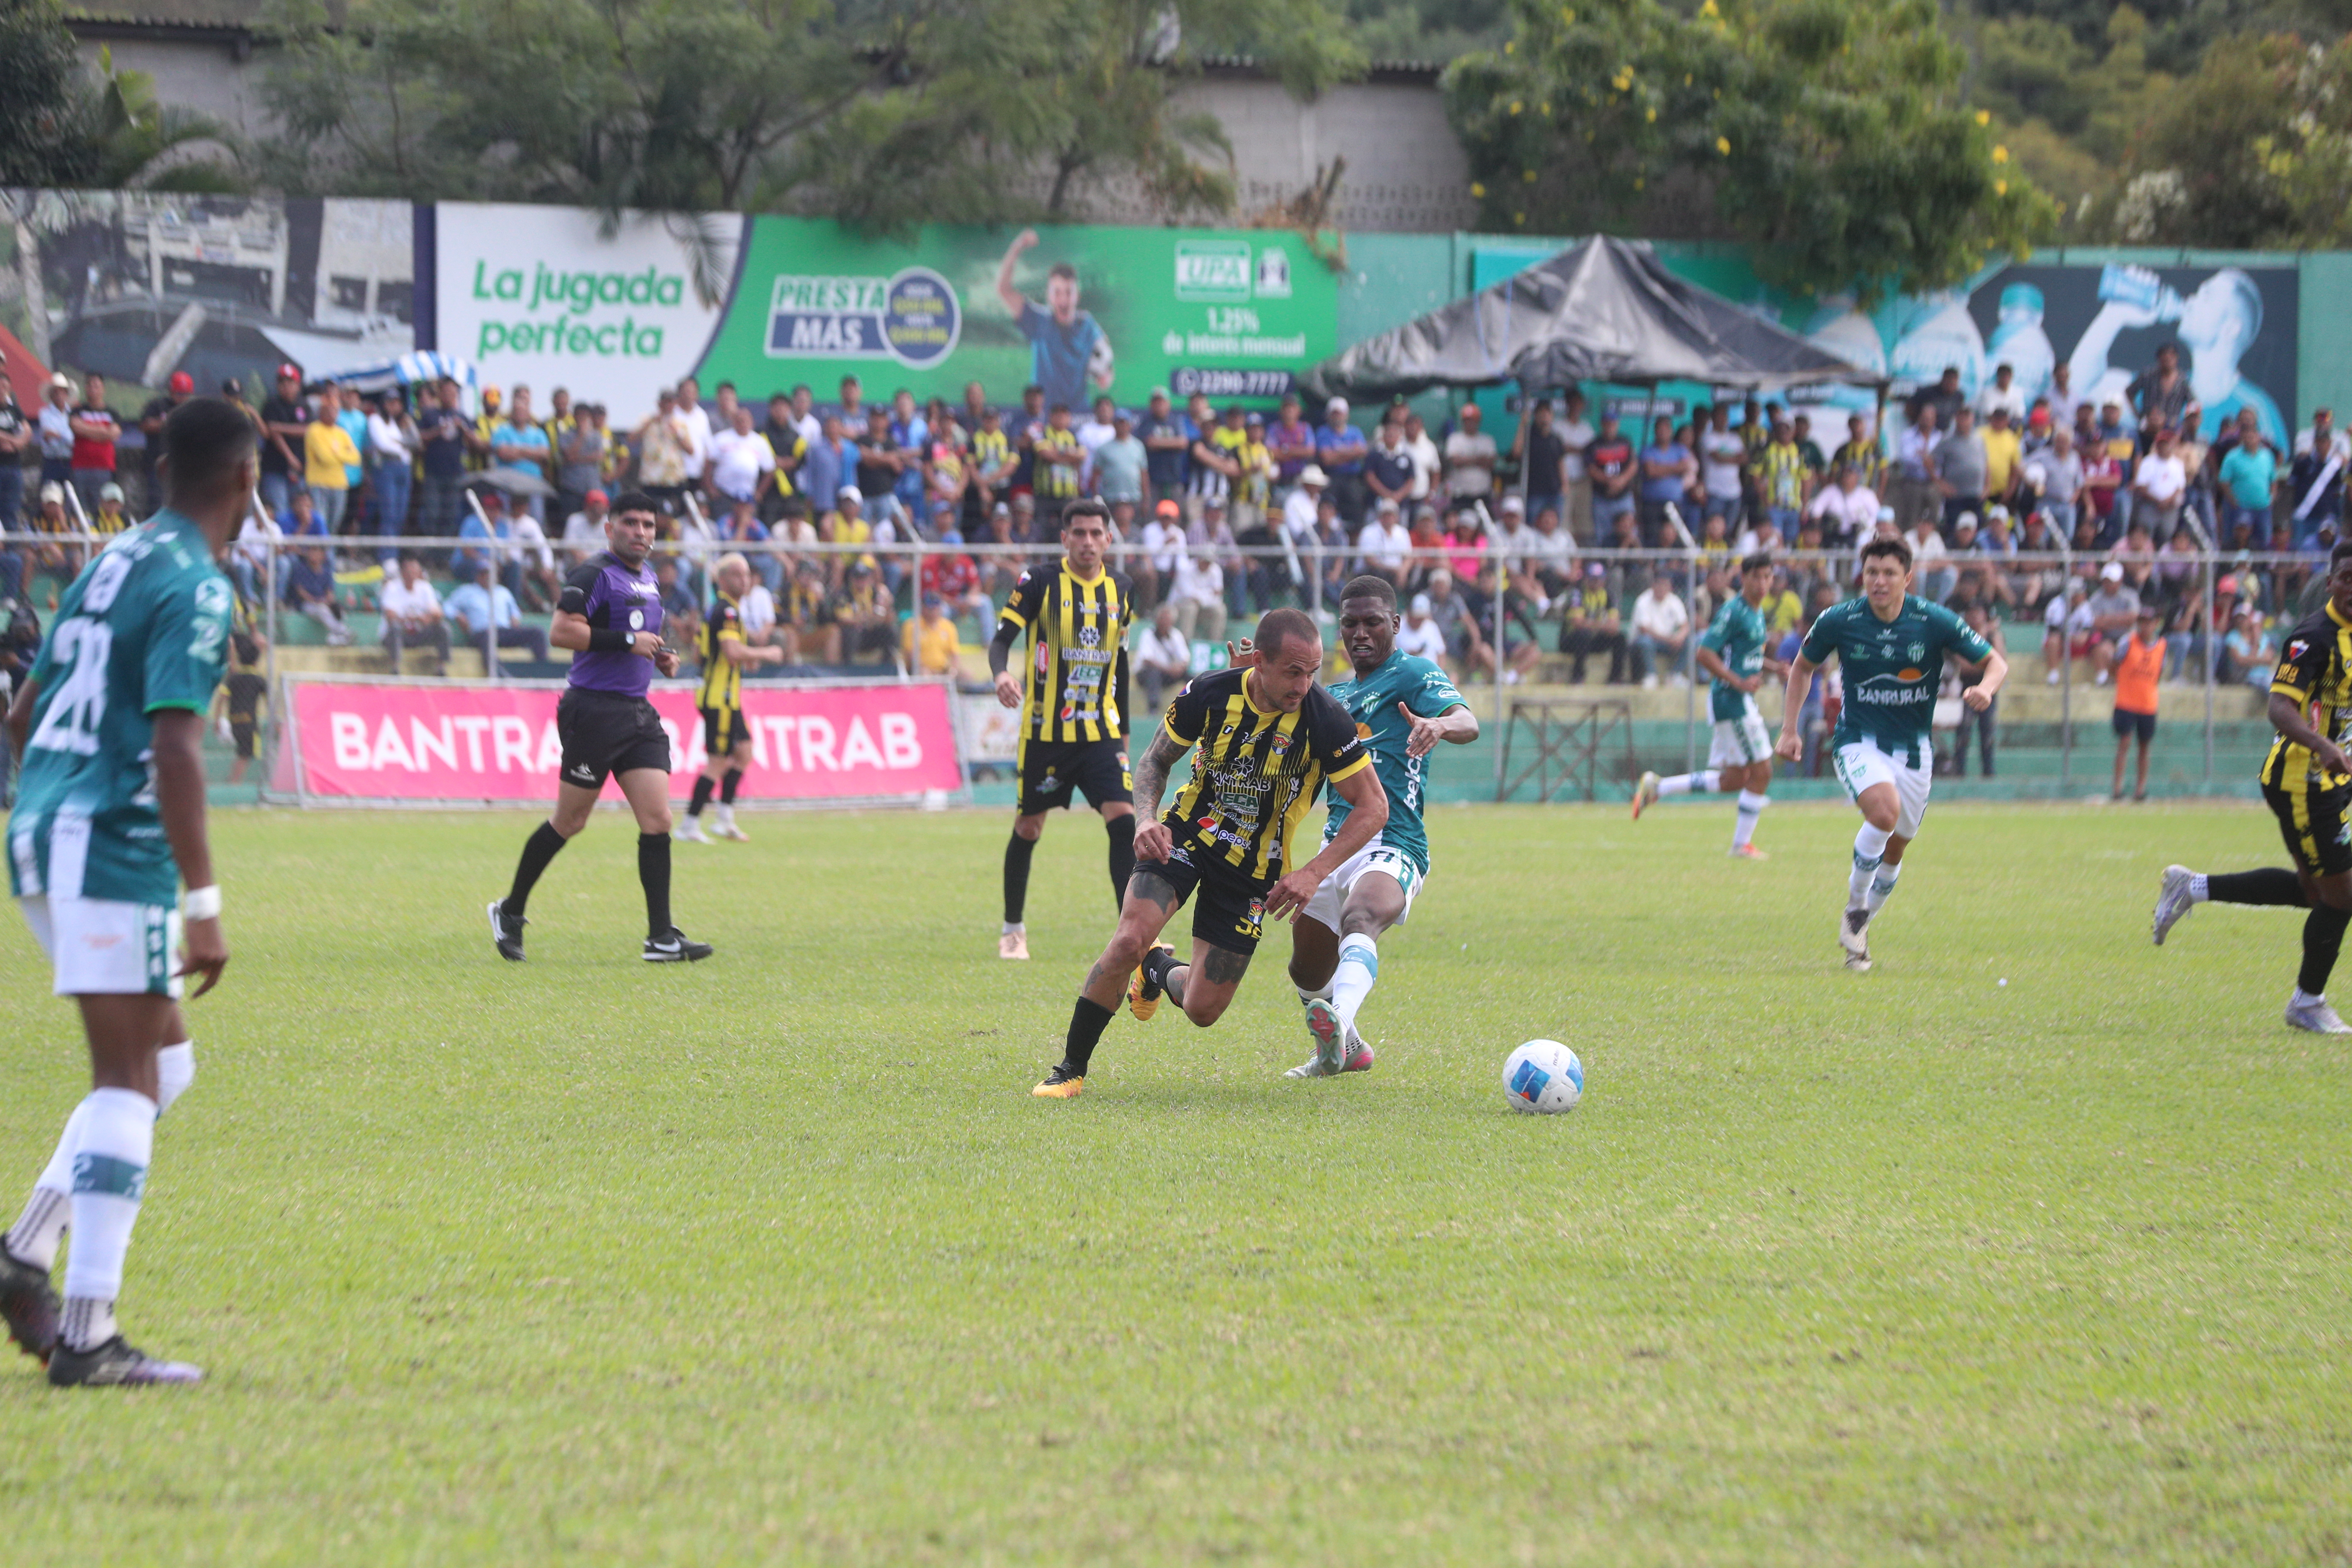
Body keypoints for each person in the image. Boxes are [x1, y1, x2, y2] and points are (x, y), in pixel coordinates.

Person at [0, 394, 245, 1386]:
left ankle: (24, 1251)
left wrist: (60, 800)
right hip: (109, 845)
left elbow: (21, 712)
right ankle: (91, 1338)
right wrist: (204, 904)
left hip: (48, 829)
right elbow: (178, 747)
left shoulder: (111, 557)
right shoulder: (197, 579)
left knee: (161, 1071)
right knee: (127, 1083)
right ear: (248, 475)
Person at [1031, 608, 1384, 1099]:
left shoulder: (1325, 720)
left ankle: (1154, 971)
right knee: (1129, 938)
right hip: (1185, 838)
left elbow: (1373, 808)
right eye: (1292, 671)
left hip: (1253, 870)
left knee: (1203, 1009)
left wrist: (1313, 872)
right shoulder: (1211, 692)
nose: (1304, 684)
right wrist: (1147, 818)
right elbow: (1155, 759)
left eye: (1313, 672)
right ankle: (1069, 1071)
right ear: (1259, 662)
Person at [488, 492, 705, 964]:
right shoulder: (592, 573)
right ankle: (510, 911)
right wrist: (629, 641)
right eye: (631, 523)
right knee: (570, 821)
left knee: (659, 820)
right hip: (592, 711)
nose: (642, 532)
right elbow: (562, 631)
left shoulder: (649, 578)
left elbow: (636, 642)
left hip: (637, 712)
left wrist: (659, 656)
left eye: (649, 524)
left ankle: (660, 937)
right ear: (610, 529)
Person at [1775, 535, 2006, 971]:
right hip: (1858, 740)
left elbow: (1997, 662)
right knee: (1883, 813)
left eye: (1888, 574)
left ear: (1908, 578)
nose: (1879, 581)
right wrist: (1789, 729)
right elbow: (1803, 667)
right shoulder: (1839, 620)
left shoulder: (1933, 620)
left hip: (1915, 750)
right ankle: (1855, 908)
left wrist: (1985, 688)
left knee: (1897, 848)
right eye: (1872, 573)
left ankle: (1858, 934)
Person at [1282, 576, 1479, 1078]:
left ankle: (1339, 1022)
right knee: (1305, 968)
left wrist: (1439, 725)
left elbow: (1467, 721)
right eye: (1350, 624)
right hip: (1338, 844)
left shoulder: (1413, 674)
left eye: (1373, 622)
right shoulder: (1329, 697)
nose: (1361, 633)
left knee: (1362, 914)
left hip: (1395, 842)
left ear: (1395, 624)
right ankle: (1348, 1047)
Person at [2151, 540, 2352, 1032]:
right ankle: (2307, 1002)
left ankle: (2192, 887)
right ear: (2330, 583)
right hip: (2303, 781)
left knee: (2314, 891)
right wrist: (2322, 745)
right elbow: (2280, 708)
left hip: (2333, 781)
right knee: (2342, 895)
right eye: (2347, 578)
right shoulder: (2313, 637)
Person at [989, 499, 1137, 962]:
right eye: (1080, 533)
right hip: (1046, 734)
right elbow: (1001, 641)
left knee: (1126, 822)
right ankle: (1013, 930)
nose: (1088, 542)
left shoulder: (1123, 589)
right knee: (1029, 827)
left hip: (1101, 733)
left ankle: (1132, 935)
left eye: (1097, 533)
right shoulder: (1039, 581)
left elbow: (1122, 664)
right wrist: (1001, 674)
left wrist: (1126, 733)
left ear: (1109, 540)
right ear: (1065, 539)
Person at [1631, 553, 1788, 856]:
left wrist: (1772, 667)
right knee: (1763, 771)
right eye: (1756, 576)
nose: (1763, 583)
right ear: (1744, 579)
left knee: (1734, 780)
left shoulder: (1756, 612)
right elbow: (1704, 653)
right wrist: (1738, 682)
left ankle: (1658, 788)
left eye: (1768, 576)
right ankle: (1741, 845)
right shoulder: (1734, 612)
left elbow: (1746, 656)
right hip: (1732, 701)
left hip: (1738, 699)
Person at [676, 553, 787, 846]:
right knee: (718, 761)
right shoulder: (727, 612)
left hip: (723, 695)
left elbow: (701, 654)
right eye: (738, 574)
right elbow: (732, 652)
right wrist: (765, 654)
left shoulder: (718, 611)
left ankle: (724, 819)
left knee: (744, 752)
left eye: (748, 574)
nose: (745, 580)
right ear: (723, 580)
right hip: (720, 697)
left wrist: (738, 659)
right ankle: (689, 824)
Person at [995, 230, 1111, 416]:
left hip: (1078, 416)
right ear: (1049, 296)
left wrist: (1105, 375)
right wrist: (1017, 246)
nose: (1063, 300)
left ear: (1077, 296)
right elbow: (1004, 289)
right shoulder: (1038, 320)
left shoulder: (1088, 325)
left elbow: (1105, 363)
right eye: (1057, 292)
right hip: (1044, 415)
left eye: (1068, 292)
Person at [2110, 601, 2165, 801]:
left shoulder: (2161, 646)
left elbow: (2158, 673)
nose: (2145, 626)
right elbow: (2115, 664)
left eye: (2149, 622)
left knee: (2144, 746)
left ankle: (2140, 790)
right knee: (2124, 743)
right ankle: (2118, 789)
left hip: (2147, 704)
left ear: (2156, 624)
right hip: (2126, 701)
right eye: (2142, 622)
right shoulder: (2128, 643)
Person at [378, 552, 450, 676]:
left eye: (415, 571)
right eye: (409, 571)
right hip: (399, 634)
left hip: (419, 633)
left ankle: (441, 668)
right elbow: (390, 615)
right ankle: (395, 668)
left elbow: (438, 614)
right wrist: (411, 619)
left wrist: (427, 618)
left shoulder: (425, 587)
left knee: (443, 628)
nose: (412, 574)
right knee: (395, 628)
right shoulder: (392, 587)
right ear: (402, 573)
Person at [303, 385, 360, 533]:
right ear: (322, 411)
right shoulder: (314, 430)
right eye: (329, 410)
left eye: (335, 410)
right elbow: (324, 458)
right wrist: (342, 455)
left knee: (335, 523)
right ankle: (320, 554)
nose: (333, 413)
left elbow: (356, 458)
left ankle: (328, 554)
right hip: (319, 483)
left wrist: (336, 453)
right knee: (321, 522)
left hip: (339, 484)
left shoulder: (341, 433)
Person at [1626, 571, 1690, 688]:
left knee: (1692, 640)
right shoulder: (1643, 600)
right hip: (1645, 643)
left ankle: (1675, 675)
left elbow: (1685, 625)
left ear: (1670, 587)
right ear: (1653, 586)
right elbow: (1644, 630)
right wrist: (1669, 640)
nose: (1662, 588)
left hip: (1668, 643)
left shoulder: (1674, 600)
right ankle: (1651, 676)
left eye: (1665, 585)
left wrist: (1679, 637)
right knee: (1645, 641)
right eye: (1659, 584)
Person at [1134, 601, 1190, 713]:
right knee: (1154, 673)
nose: (1165, 622)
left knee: (1190, 677)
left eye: (1168, 620)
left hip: (1169, 673)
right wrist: (1169, 669)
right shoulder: (1148, 634)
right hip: (1146, 674)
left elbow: (1185, 658)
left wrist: (1179, 668)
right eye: (1163, 619)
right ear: (1157, 620)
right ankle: (1153, 708)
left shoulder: (1176, 635)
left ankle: (1196, 705)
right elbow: (1147, 660)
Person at [901, 591, 961, 677]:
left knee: (965, 676)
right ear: (923, 607)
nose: (933, 611)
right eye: (930, 608)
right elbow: (910, 654)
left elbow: (955, 654)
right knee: (925, 675)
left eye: (935, 608)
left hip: (943, 670)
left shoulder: (948, 626)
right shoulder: (912, 625)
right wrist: (925, 669)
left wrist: (953, 669)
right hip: (920, 670)